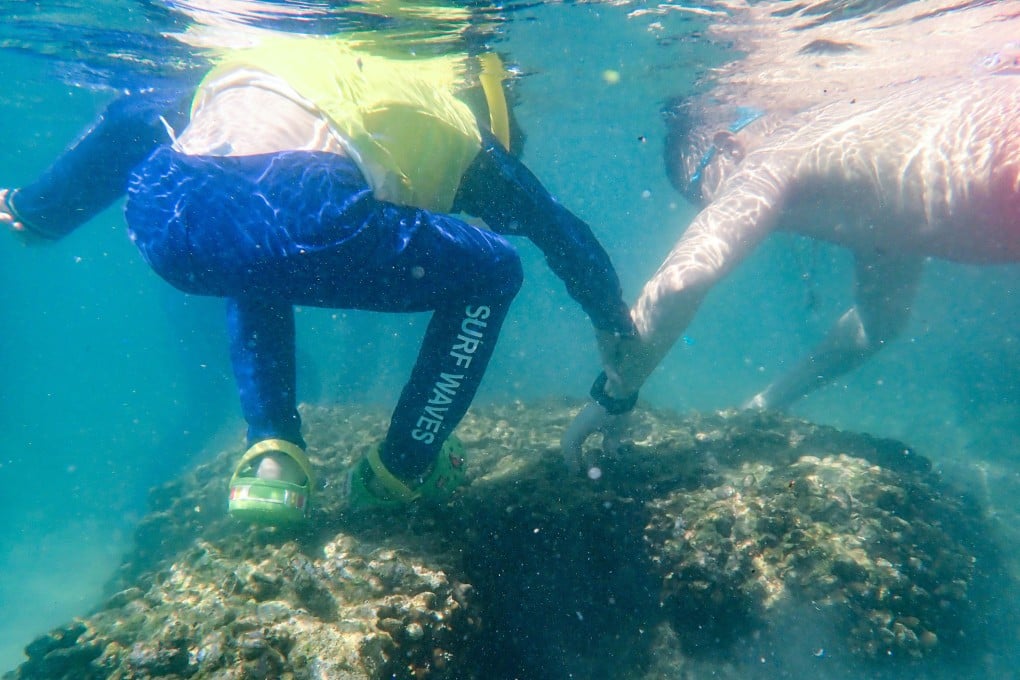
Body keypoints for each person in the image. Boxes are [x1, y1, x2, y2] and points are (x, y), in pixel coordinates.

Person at [2, 31, 635, 524]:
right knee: (495, 269)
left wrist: (39, 210)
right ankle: (401, 470)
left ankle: (272, 458)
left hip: (165, 217)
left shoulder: (283, 62)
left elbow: (130, 117)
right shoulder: (472, 143)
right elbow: (563, 234)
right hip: (305, 218)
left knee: (252, 238)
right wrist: (613, 325)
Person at [562, 4, 1020, 465]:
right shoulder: (865, 182)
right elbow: (878, 323)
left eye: (709, 194)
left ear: (728, 145)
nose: (720, 208)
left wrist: (615, 394)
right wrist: (767, 403)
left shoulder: (773, 155)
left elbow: (684, 279)